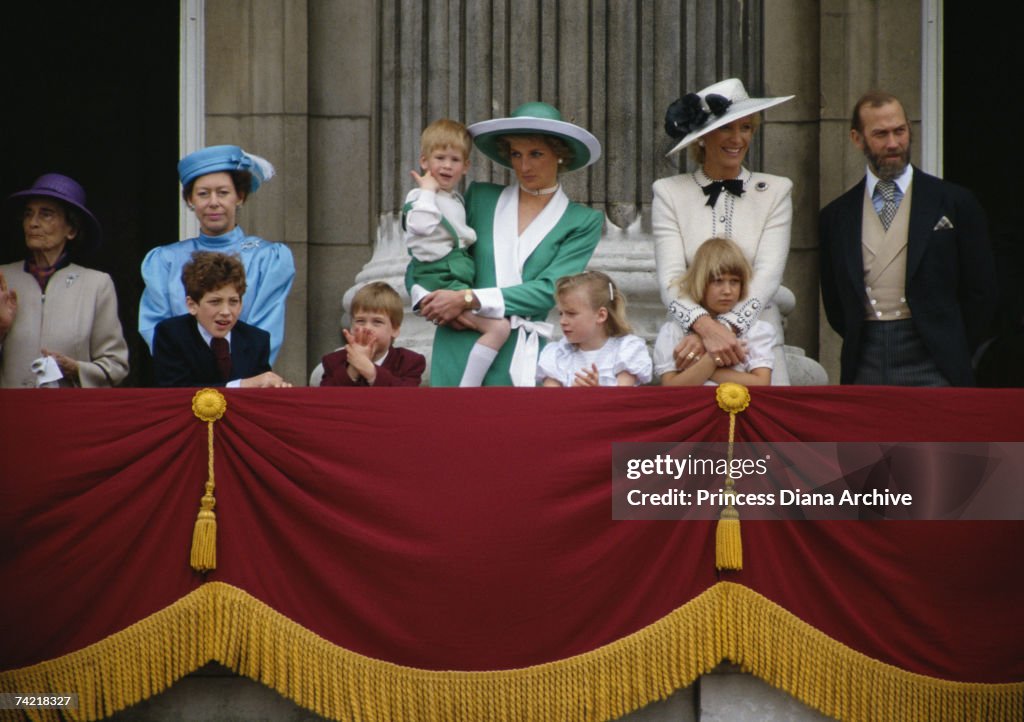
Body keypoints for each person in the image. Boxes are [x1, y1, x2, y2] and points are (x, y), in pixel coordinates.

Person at [418, 102, 604, 387]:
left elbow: (548, 290)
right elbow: (429, 252)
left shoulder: (582, 221)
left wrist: (467, 299)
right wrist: (427, 298)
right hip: (458, 336)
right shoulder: (480, 197)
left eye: (536, 154)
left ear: (560, 155)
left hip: (521, 350)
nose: (524, 165)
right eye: (516, 154)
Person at [819, 91, 997, 386]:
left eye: (899, 131)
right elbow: (836, 305)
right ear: (856, 138)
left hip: (939, 362)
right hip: (865, 361)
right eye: (880, 134)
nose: (893, 143)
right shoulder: (836, 216)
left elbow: (982, 291)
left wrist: (952, 342)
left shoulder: (955, 201)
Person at [652, 78, 794, 384]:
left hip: (757, 351)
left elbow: (768, 276)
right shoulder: (668, 192)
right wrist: (702, 329)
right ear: (702, 138)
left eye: (745, 128)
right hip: (686, 346)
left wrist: (724, 330)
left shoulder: (776, 191)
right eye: (726, 128)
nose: (737, 138)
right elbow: (670, 278)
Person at [139, 145, 295, 363]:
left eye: (223, 193)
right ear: (190, 201)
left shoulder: (268, 258)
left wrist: (234, 379)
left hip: (247, 383)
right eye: (203, 194)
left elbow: (265, 330)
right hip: (182, 383)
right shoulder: (164, 260)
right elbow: (156, 329)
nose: (213, 202)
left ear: (239, 197)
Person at [403, 119, 510, 386]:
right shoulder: (419, 198)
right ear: (424, 162)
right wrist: (427, 191)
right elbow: (419, 226)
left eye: (454, 159)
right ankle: (468, 388)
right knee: (499, 328)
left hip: (453, 278)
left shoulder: (455, 199)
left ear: (466, 167)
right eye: (440, 158)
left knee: (479, 326)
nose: (447, 165)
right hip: (440, 278)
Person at [0, 173, 128, 388]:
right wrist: (1, 328)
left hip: (70, 412)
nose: (33, 223)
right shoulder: (4, 278)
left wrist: (77, 369)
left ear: (71, 230)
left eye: (46, 214)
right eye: (28, 214)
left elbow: (115, 366)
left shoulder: (96, 284)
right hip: (10, 411)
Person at [153, 251, 291, 388]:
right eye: (215, 302)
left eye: (233, 302)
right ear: (192, 305)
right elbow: (175, 391)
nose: (226, 312)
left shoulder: (257, 339)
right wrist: (242, 385)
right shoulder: (171, 334)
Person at [655, 237, 773, 386]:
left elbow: (761, 383)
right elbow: (671, 387)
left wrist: (702, 362)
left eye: (734, 281)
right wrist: (711, 359)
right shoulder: (673, 332)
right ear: (700, 282)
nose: (727, 291)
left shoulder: (756, 331)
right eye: (718, 281)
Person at [536, 271, 652, 387]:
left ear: (601, 315)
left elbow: (622, 397)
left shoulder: (626, 350)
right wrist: (572, 395)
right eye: (561, 313)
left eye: (571, 313)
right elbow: (551, 400)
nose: (562, 321)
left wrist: (596, 392)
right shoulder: (558, 354)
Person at [320, 281, 425, 387]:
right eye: (360, 321)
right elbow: (326, 399)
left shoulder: (409, 362)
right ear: (351, 327)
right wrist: (353, 368)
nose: (367, 328)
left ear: (395, 329)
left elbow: (405, 399)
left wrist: (370, 371)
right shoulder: (333, 361)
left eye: (377, 322)